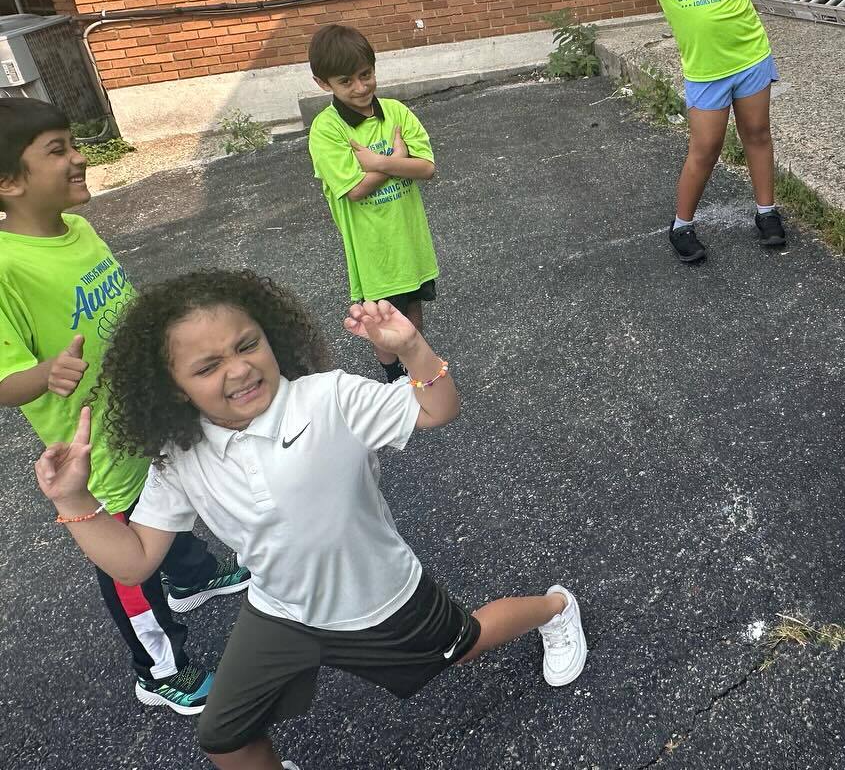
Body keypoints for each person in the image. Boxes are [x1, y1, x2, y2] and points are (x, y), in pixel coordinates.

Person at [34, 270, 587, 770]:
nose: (239, 367)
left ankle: (555, 608)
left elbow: (438, 409)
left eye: (247, 344)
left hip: (379, 601)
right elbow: (134, 562)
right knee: (224, 737)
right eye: (207, 366)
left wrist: (413, 348)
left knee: (464, 644)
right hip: (281, 613)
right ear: (174, 387)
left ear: (270, 335)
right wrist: (73, 501)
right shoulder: (179, 454)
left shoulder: (330, 399)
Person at [0, 99, 246, 714]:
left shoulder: (78, 229)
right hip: (98, 451)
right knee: (126, 559)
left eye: (73, 143)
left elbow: (123, 308)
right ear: (9, 181)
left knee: (170, 494)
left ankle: (189, 574)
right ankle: (158, 669)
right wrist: (44, 373)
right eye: (57, 150)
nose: (79, 157)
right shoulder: (5, 268)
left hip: (143, 414)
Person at [600, 0, 789, 264]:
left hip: (750, 54)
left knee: (757, 133)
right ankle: (682, 224)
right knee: (705, 148)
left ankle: (766, 213)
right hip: (705, 70)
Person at [307, 24, 439, 381]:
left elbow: (426, 167)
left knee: (413, 309)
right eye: (346, 81)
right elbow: (354, 189)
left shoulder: (395, 111)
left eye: (366, 75)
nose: (361, 88)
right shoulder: (327, 129)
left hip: (410, 242)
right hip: (374, 253)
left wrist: (379, 162)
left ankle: (417, 369)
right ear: (324, 84)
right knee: (383, 320)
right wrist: (399, 161)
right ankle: (394, 376)